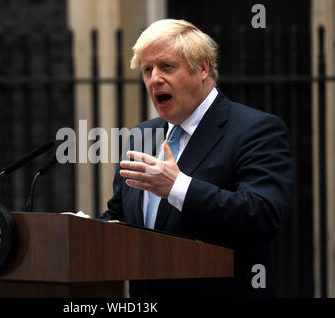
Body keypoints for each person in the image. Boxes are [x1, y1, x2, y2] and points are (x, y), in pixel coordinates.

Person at [97, 19, 294, 297]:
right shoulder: (143, 135)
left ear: (202, 68)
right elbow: (121, 216)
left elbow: (262, 215)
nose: (155, 79)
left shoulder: (255, 129)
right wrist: (85, 229)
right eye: (147, 70)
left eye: (167, 66)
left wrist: (177, 187)